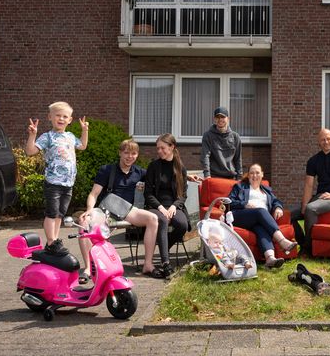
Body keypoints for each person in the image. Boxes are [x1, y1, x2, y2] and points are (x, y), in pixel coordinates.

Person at [78, 139, 163, 284]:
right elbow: (94, 194)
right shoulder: (107, 170)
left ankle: (148, 265)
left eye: (134, 153)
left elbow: (162, 177)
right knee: (84, 222)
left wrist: (186, 176)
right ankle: (88, 268)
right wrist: (89, 210)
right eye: (126, 153)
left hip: (127, 210)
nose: (130, 157)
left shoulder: (139, 172)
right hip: (107, 210)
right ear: (120, 153)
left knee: (153, 219)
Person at [25, 101, 88, 256]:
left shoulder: (71, 136)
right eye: (57, 116)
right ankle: (51, 241)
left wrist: (85, 131)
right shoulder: (47, 137)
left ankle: (54, 240)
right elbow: (30, 151)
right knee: (51, 213)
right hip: (53, 183)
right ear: (50, 117)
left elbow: (83, 146)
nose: (61, 119)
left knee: (60, 213)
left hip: (68, 183)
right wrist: (32, 135)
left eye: (64, 116)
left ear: (70, 120)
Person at [227, 163, 298, 269]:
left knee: (261, 228)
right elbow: (229, 202)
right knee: (261, 211)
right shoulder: (240, 186)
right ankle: (282, 241)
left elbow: (276, 201)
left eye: (257, 173)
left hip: (258, 220)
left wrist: (278, 207)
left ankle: (270, 258)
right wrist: (244, 204)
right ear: (248, 175)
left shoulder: (267, 190)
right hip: (241, 216)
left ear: (262, 175)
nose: (254, 176)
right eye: (251, 173)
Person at [144, 133, 191, 278]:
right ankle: (165, 263)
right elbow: (148, 193)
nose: (159, 151)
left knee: (182, 225)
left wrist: (174, 206)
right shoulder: (153, 166)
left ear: (172, 147)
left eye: (162, 148)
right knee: (163, 220)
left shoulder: (180, 168)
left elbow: (183, 194)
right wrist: (161, 208)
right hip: (156, 206)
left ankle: (163, 247)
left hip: (174, 207)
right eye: (158, 148)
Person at [200, 106, 242, 180]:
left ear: (228, 119)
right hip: (214, 177)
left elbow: (238, 159)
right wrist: (207, 175)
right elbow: (205, 156)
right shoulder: (208, 135)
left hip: (231, 177)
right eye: (217, 117)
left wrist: (239, 177)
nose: (220, 119)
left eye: (223, 117)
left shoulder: (235, 137)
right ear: (214, 119)